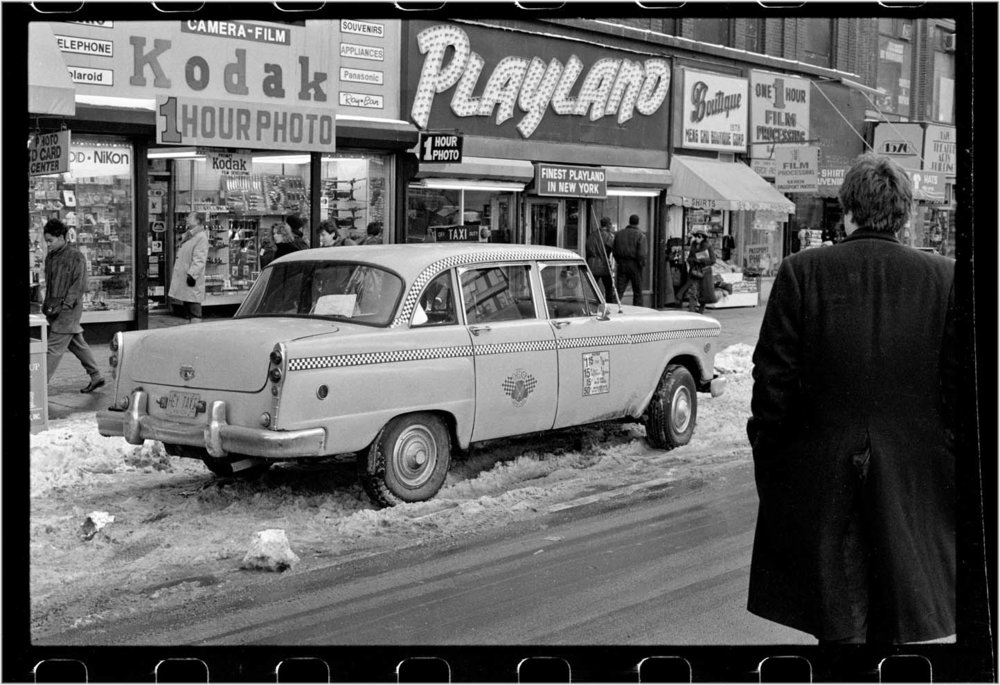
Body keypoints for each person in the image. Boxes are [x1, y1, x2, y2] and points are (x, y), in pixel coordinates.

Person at [746, 153, 958, 645]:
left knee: (840, 625)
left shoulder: (803, 272)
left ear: (847, 211)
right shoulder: (945, 280)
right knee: (899, 625)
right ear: (903, 214)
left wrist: (774, 463)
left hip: (823, 480)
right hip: (916, 484)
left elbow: (772, 385)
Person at [40, 219, 106, 392]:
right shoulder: (51, 256)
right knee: (76, 343)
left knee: (53, 349)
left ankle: (38, 387)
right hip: (56, 308)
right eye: (46, 241)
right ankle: (96, 375)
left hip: (67, 309)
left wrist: (66, 305)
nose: (48, 244)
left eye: (50, 240)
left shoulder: (75, 256)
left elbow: (79, 285)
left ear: (61, 237)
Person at [168, 211, 209, 324]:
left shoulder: (200, 237)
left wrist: (192, 275)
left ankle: (195, 332)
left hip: (191, 278)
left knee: (193, 307)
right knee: (188, 305)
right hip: (186, 275)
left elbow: (199, 259)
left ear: (197, 221)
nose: (187, 218)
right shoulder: (190, 235)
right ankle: (191, 328)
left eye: (190, 217)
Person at [675, 232, 716, 314]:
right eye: (695, 236)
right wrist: (693, 260)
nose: (697, 238)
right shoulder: (693, 245)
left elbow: (713, 260)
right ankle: (692, 310)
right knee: (693, 291)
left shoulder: (708, 246)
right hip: (694, 271)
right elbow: (689, 258)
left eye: (699, 236)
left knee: (703, 292)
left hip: (704, 272)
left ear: (703, 238)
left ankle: (700, 310)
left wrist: (702, 260)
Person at [611, 214, 647, 306]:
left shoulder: (619, 234)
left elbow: (614, 250)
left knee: (619, 290)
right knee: (637, 291)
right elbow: (641, 254)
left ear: (629, 221)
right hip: (635, 264)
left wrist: (619, 261)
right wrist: (641, 264)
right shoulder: (640, 235)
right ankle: (637, 310)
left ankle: (613, 307)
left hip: (622, 263)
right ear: (638, 222)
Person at [586, 216, 616, 302]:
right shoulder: (608, 236)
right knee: (608, 288)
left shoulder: (591, 235)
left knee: (593, 289)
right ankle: (609, 305)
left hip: (592, 265)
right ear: (608, 225)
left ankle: (594, 305)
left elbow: (588, 249)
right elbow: (613, 248)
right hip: (604, 265)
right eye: (610, 224)